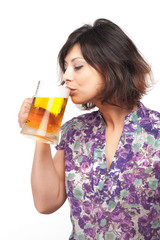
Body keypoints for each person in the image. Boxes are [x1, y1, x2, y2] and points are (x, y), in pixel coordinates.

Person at [18, 19, 160, 240]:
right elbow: (46, 203)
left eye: (77, 66)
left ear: (111, 63)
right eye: (65, 67)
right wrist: (41, 129)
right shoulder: (74, 131)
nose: (66, 76)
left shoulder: (157, 132)